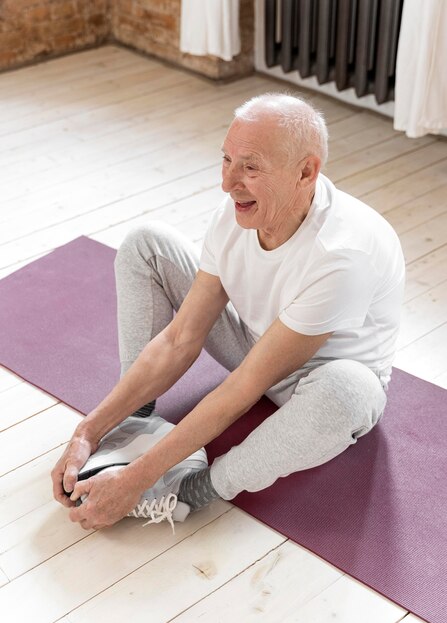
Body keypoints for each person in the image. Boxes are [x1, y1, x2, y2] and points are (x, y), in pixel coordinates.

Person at [51, 93, 405, 531]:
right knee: (147, 243)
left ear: (306, 172)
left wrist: (136, 480)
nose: (228, 183)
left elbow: (245, 386)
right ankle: (136, 424)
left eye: (250, 167)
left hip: (320, 382)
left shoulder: (342, 254)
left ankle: (192, 490)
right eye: (227, 160)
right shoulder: (235, 214)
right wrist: (89, 431)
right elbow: (180, 339)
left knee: (349, 390)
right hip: (258, 347)